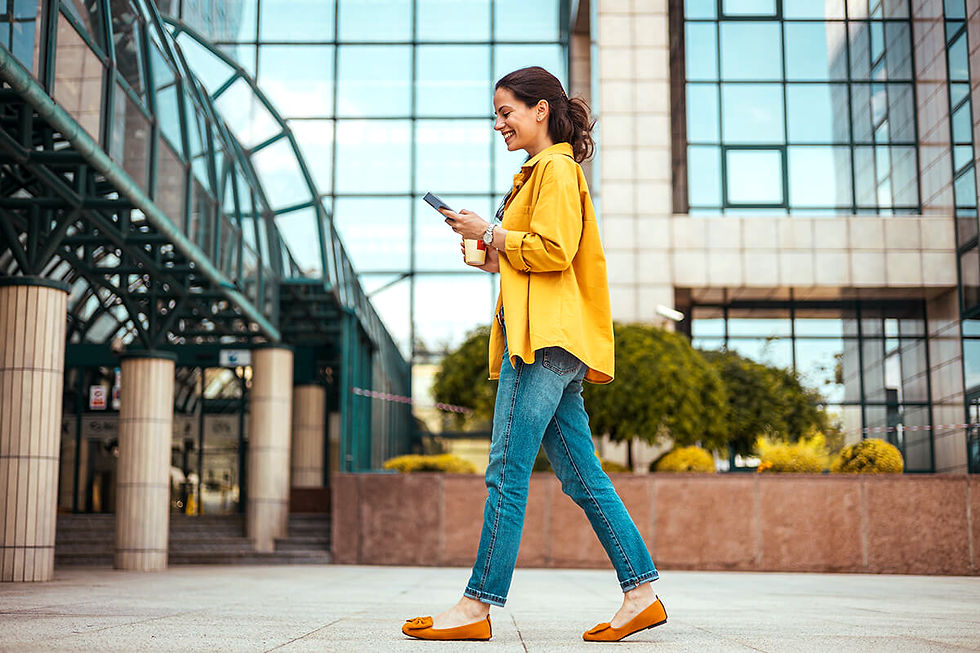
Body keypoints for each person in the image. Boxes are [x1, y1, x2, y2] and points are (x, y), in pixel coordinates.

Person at [402, 66, 665, 643]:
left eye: (506, 112)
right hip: (555, 337)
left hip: (541, 341)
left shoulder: (556, 168)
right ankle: (641, 591)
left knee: (505, 472)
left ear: (540, 109)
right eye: (497, 115)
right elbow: (534, 258)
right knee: (581, 477)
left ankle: (476, 607)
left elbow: (552, 250)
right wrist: (484, 244)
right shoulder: (539, 173)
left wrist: (491, 231)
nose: (499, 124)